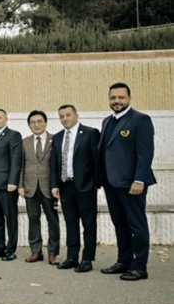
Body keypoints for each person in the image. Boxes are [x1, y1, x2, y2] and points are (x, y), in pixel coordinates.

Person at [98, 83, 156, 281]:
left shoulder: (140, 120)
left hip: (132, 184)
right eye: (113, 97)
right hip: (111, 184)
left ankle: (140, 267)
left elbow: (145, 153)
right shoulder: (107, 121)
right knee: (119, 224)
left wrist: (139, 179)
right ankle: (124, 261)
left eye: (121, 97)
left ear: (129, 98)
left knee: (136, 225)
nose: (117, 101)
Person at [50, 105, 100, 273]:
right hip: (65, 186)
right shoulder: (57, 138)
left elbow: (97, 160)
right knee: (71, 223)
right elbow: (54, 164)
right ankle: (72, 257)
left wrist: (95, 183)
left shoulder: (90, 133)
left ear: (76, 115)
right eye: (61, 116)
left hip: (85, 186)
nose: (65, 118)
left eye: (68, 115)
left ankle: (87, 259)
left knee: (88, 224)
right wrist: (55, 184)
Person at [19, 110, 60, 265]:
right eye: (33, 122)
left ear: (45, 123)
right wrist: (20, 185)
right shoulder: (25, 142)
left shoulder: (55, 140)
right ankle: (36, 251)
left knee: (52, 220)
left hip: (49, 187)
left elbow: (58, 165)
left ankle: (52, 253)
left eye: (39, 121)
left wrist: (57, 185)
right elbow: (21, 166)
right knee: (33, 219)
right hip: (30, 187)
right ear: (29, 125)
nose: (36, 125)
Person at [0, 109, 23, 261]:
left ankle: (11, 249)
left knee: (10, 218)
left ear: (6, 119)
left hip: (7, 185)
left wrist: (13, 182)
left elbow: (16, 159)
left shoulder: (13, 135)